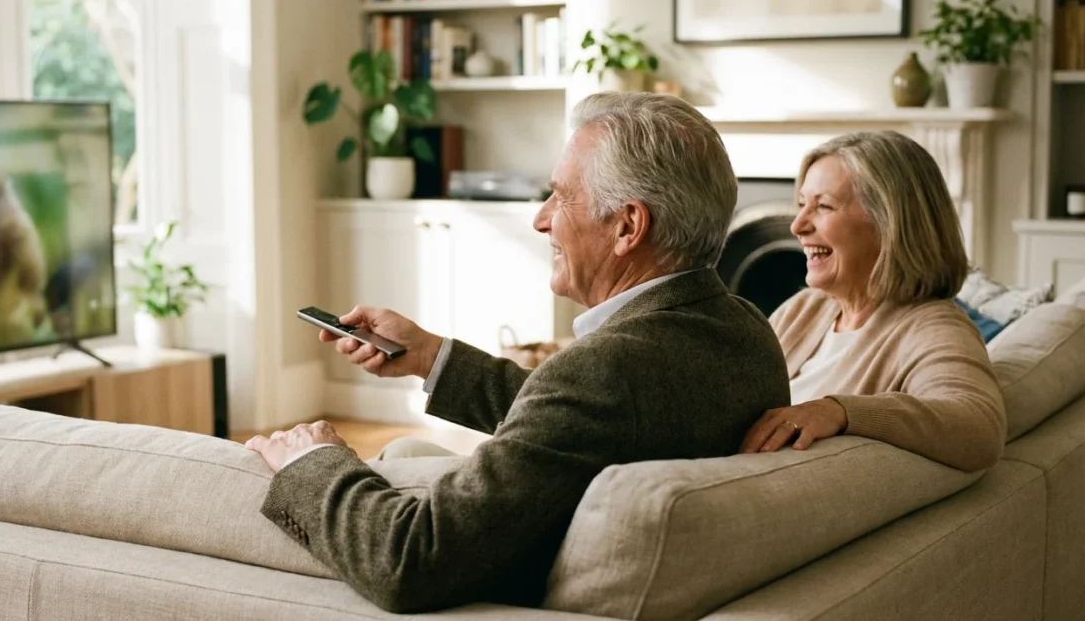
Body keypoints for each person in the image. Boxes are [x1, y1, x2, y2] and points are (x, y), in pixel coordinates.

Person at [243, 92, 791, 613]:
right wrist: (432, 356)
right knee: (409, 451)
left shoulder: (605, 372)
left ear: (627, 225)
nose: (540, 218)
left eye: (560, 196)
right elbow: (580, 426)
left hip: (503, 583)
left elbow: (410, 561)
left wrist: (311, 464)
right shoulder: (747, 334)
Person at [738, 130, 1006, 472]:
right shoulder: (805, 308)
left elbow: (979, 430)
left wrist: (839, 411)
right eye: (802, 204)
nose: (797, 225)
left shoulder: (932, 327)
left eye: (823, 206)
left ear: (891, 222)